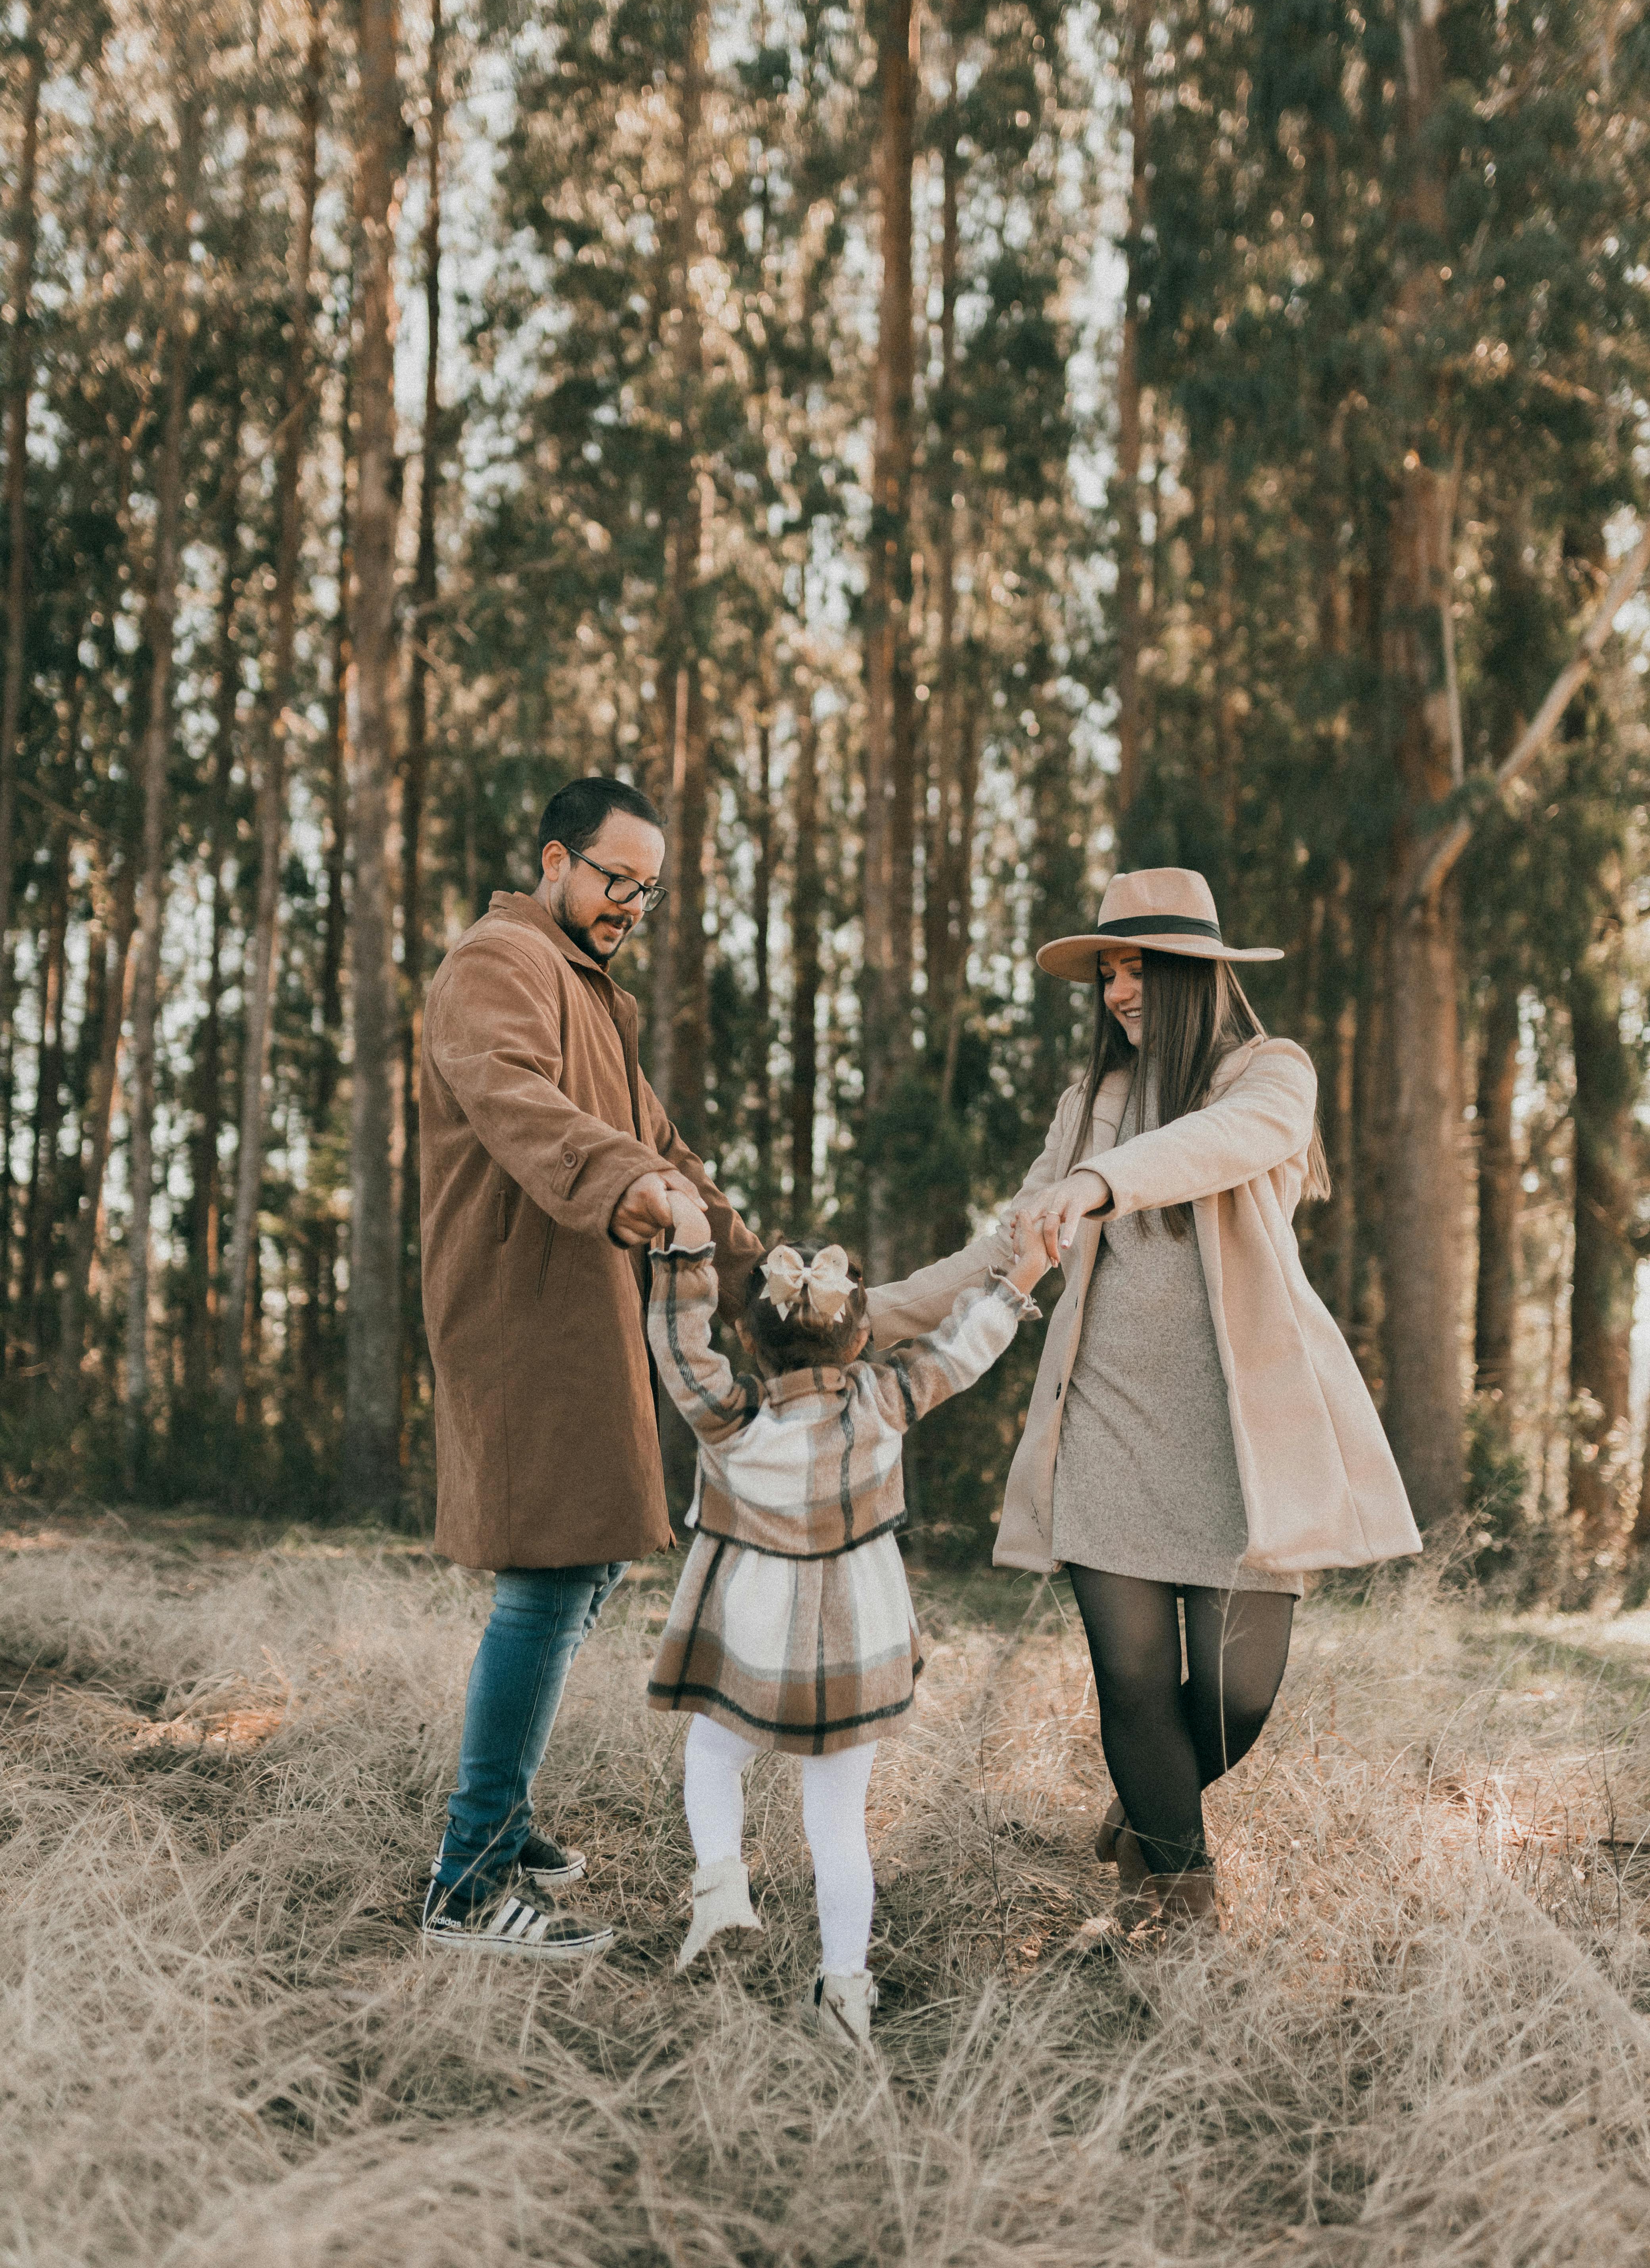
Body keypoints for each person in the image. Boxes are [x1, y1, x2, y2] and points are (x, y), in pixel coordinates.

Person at [869, 866, 1421, 1937]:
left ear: (1197, 974)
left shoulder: (1271, 1073)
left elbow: (1220, 1145)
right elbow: (1010, 1238)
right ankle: (1173, 1914)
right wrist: (878, 1312)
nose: (1121, 990)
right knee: (1130, 1678)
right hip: (1107, 1419)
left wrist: (1101, 1182)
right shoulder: (1090, 1101)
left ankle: (1152, 1804)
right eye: (1109, 970)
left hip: (1242, 1434)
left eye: (1141, 968)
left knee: (1235, 1698)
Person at [417, 775, 763, 1956]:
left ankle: (502, 1826)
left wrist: (763, 1266)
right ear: (557, 857)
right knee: (550, 1577)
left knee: (591, 1560)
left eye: (648, 892)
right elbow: (519, 1098)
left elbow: (660, 1143)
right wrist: (629, 1188)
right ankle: (466, 1884)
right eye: (617, 878)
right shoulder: (497, 963)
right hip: (519, 1310)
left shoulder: (588, 990)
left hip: (582, 1307)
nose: (631, 903)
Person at [645, 1192, 1053, 2049]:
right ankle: (843, 1992)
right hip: (852, 1644)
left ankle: (720, 1879)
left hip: (750, 1636)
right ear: (860, 1339)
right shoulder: (883, 1401)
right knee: (839, 1828)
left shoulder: (732, 1419)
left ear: (751, 1341)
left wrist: (684, 1263)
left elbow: (681, 1357)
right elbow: (961, 1351)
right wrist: (1018, 1276)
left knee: (713, 1754)